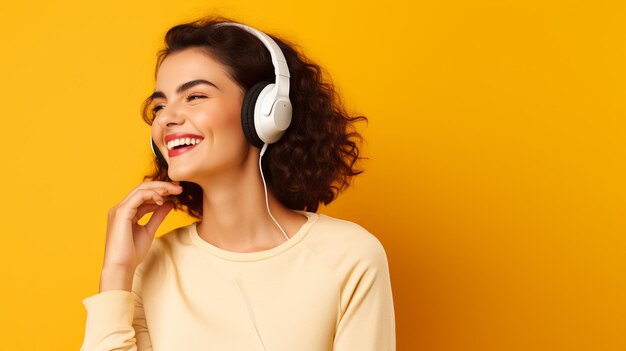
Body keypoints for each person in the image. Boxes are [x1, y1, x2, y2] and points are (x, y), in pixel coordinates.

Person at [80, 15, 395, 351]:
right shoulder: (149, 266)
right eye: (160, 105)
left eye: (195, 96)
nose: (167, 118)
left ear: (266, 112)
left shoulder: (349, 257)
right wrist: (116, 271)